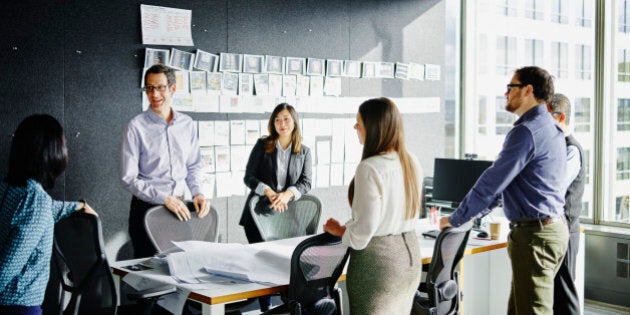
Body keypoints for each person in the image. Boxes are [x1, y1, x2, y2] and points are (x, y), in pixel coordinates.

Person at [440, 66, 569, 315]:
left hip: (535, 237)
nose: (506, 93)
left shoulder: (526, 132)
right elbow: (504, 186)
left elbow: (492, 182)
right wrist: (473, 215)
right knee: (520, 309)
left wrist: (456, 219)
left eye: (511, 87)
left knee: (533, 311)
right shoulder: (550, 128)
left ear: (528, 90)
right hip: (550, 230)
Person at [323, 97, 423, 314]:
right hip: (410, 257)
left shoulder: (369, 168)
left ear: (373, 127)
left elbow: (362, 234)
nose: (355, 127)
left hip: (379, 264)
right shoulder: (411, 161)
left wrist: (340, 230)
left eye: (359, 122)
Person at [0, 114, 97, 315]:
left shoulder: (11, 188)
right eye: (64, 144)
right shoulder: (35, 201)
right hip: (19, 306)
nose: (66, 150)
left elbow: (44, 211)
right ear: (50, 152)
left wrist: (77, 206)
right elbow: (5, 270)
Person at [121, 64, 210, 258]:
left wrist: (197, 193)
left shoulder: (187, 124)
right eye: (149, 88)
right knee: (149, 278)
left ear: (172, 88)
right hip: (147, 210)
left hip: (179, 209)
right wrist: (164, 198)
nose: (154, 94)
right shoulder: (136, 126)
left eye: (160, 87)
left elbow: (193, 165)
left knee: (183, 270)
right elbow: (129, 178)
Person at [241, 103, 312, 311]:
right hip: (259, 215)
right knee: (262, 263)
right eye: (278, 119)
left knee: (285, 264)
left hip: (287, 216)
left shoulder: (304, 151)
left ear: (294, 122)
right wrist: (268, 192)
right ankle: (266, 307)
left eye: (286, 119)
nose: (282, 123)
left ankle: (290, 304)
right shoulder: (263, 145)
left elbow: (306, 183)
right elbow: (249, 177)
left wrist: (288, 194)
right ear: (273, 123)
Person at [548, 93, 585, 315]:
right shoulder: (557, 145)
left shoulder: (571, 149)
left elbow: (556, 186)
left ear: (561, 117)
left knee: (565, 289)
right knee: (554, 290)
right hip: (556, 228)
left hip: (567, 228)